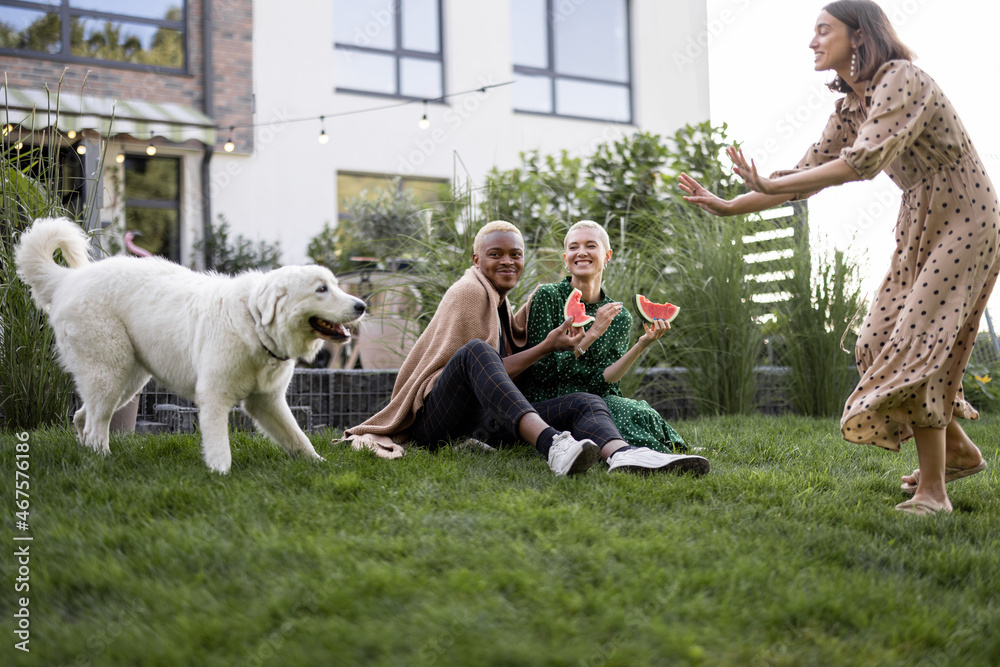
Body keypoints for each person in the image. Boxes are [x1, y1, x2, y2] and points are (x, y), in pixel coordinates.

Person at [679, 0, 995, 515]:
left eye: (824, 30)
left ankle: (933, 492)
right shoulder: (850, 106)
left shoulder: (900, 77)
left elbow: (861, 164)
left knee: (919, 338)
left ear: (860, 35)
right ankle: (958, 449)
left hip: (966, 216)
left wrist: (765, 183)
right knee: (875, 341)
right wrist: (734, 203)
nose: (812, 41)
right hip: (917, 218)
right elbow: (808, 173)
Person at [344, 221, 709, 476]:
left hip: (481, 423)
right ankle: (552, 445)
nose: (507, 261)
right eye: (496, 254)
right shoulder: (470, 291)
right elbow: (485, 367)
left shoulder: (501, 301)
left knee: (587, 401)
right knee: (476, 351)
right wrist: (548, 345)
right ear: (477, 260)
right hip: (437, 422)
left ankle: (625, 455)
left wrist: (615, 343)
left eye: (515, 254)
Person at [514, 220, 695, 461]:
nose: (581, 252)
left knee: (636, 407)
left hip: (594, 403)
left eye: (591, 245)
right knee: (617, 409)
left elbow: (604, 382)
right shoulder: (547, 296)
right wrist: (591, 334)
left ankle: (676, 449)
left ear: (607, 255)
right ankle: (656, 453)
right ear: (565, 257)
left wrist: (642, 344)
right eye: (574, 247)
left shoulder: (618, 315)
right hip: (548, 404)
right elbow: (541, 372)